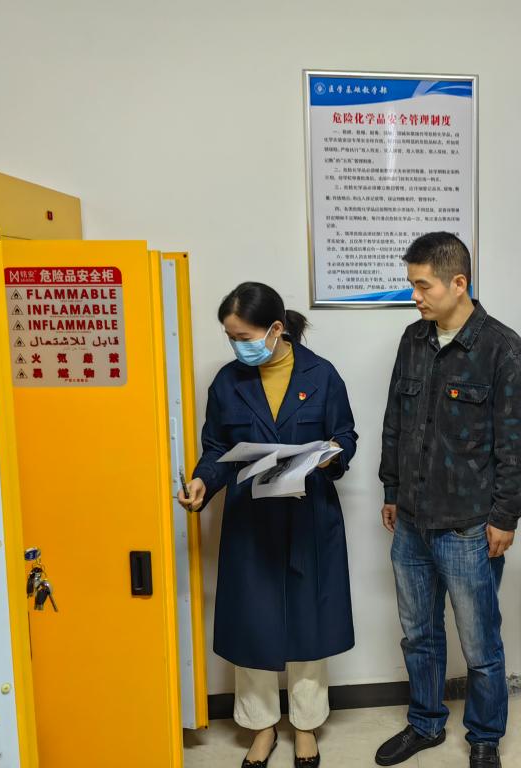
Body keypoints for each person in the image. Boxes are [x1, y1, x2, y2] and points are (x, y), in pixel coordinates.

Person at [375, 232, 521, 768]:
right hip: (411, 522)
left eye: (422, 285)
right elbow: (396, 422)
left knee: (480, 645)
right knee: (418, 635)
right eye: (412, 285)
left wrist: (505, 516)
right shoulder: (413, 340)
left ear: (458, 283)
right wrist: (391, 489)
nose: (414, 296)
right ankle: (425, 723)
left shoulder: (501, 349)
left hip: (469, 527)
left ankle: (485, 737)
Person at [178, 282, 358, 768]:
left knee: (309, 624)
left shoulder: (321, 375)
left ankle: (306, 726)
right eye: (231, 337)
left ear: (276, 329)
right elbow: (216, 448)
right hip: (251, 520)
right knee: (252, 625)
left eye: (244, 336)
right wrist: (202, 481)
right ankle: (260, 727)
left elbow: (345, 435)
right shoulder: (227, 382)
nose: (238, 345)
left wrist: (331, 455)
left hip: (308, 516)